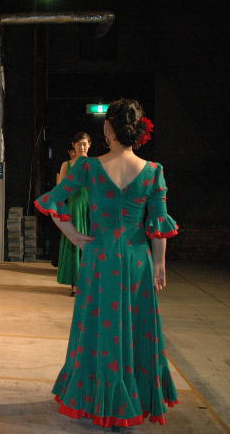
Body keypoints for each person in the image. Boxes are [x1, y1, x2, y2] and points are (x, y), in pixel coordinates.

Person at [35, 99, 178, 429]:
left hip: (99, 258)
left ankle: (98, 398)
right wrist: (159, 264)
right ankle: (131, 400)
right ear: (138, 131)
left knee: (99, 329)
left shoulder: (87, 167)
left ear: (108, 130)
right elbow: (158, 225)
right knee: (136, 328)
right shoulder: (153, 171)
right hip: (137, 259)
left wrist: (74, 235)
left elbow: (52, 201)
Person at [56, 133, 91, 296]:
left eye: (84, 144)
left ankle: (89, 283)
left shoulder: (95, 163)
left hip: (91, 207)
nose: (82, 147)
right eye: (79, 144)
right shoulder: (67, 164)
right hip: (74, 207)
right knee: (74, 243)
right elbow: (60, 188)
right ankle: (75, 284)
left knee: (91, 243)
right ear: (73, 146)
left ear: (89, 145)